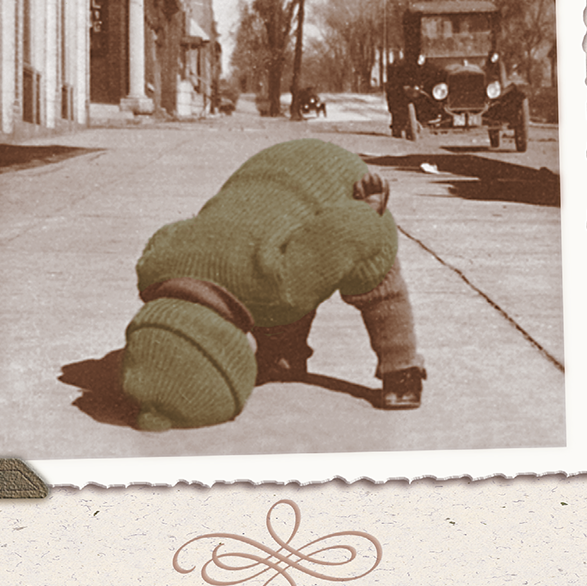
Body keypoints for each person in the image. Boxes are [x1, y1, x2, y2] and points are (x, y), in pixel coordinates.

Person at [120, 139, 426, 430]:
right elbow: (167, 233)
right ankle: (284, 356)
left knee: (375, 285)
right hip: (263, 172)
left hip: (339, 182)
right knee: (277, 290)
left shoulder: (281, 286)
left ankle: (402, 369)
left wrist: (364, 210)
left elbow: (342, 233)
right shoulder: (153, 268)